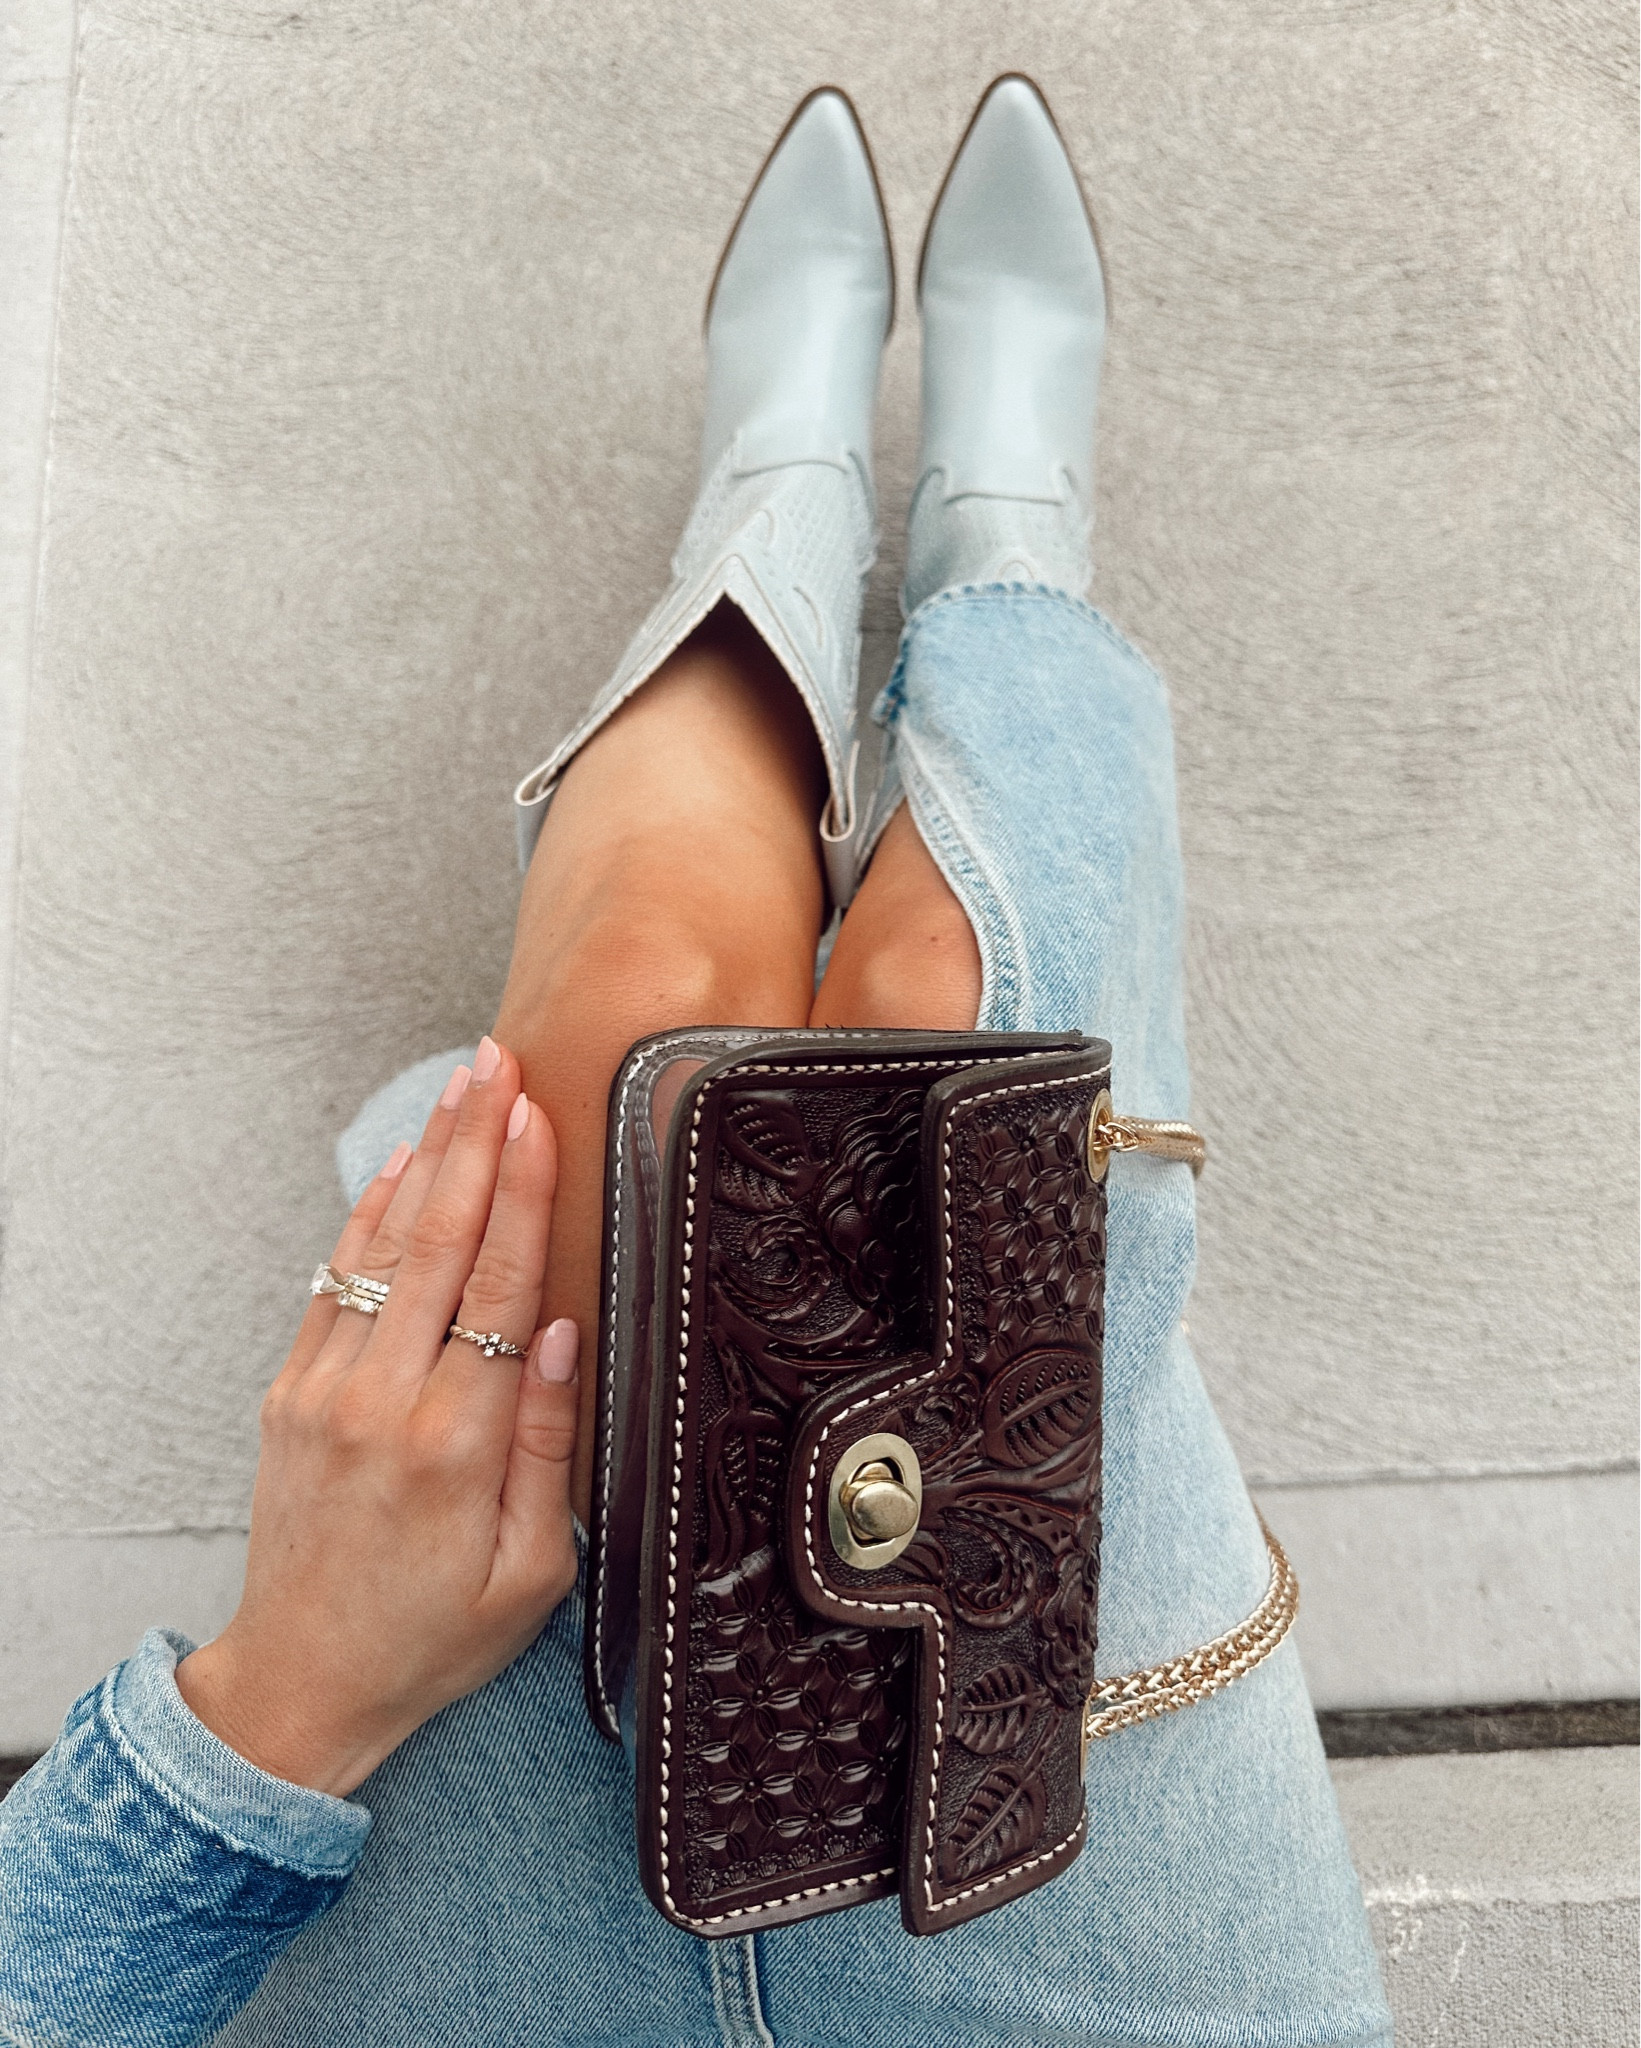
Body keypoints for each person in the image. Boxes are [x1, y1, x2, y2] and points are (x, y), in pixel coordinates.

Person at [0, 77, 1394, 2048]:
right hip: (1024, 1866)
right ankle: (1005, 547)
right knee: (960, 1064)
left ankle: (768, 519)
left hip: (449, 1878)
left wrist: (277, 1699)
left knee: (634, 1048)